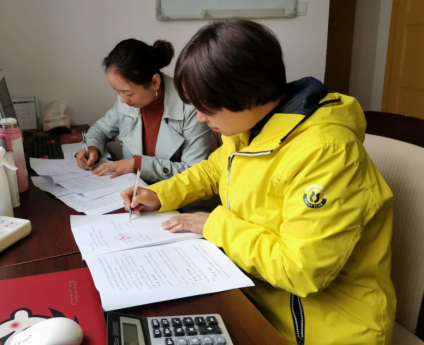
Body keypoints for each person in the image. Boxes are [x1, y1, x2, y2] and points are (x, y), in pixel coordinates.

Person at [120, 19, 396, 345]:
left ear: (246, 94)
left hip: (320, 329)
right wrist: (158, 193)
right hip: (255, 297)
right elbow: (213, 170)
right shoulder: (251, 127)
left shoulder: (326, 154)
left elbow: (301, 270)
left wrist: (214, 225)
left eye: (207, 107)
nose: (201, 118)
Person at [76, 38, 215, 184]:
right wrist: (92, 148)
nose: (122, 99)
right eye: (117, 91)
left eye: (128, 93)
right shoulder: (128, 101)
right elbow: (100, 129)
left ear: (155, 82)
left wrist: (138, 165)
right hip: (133, 189)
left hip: (174, 195)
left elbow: (194, 172)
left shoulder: (191, 108)